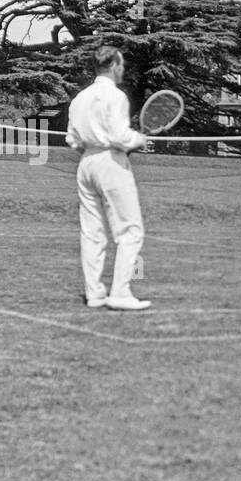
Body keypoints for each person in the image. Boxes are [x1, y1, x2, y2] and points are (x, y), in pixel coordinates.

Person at [65, 46, 152, 311]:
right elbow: (119, 136)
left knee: (92, 232)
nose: (123, 69)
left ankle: (95, 294)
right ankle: (120, 293)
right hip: (110, 161)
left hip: (86, 163)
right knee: (130, 230)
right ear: (114, 65)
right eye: (121, 64)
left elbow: (72, 138)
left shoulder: (80, 97)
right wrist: (139, 139)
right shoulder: (116, 96)